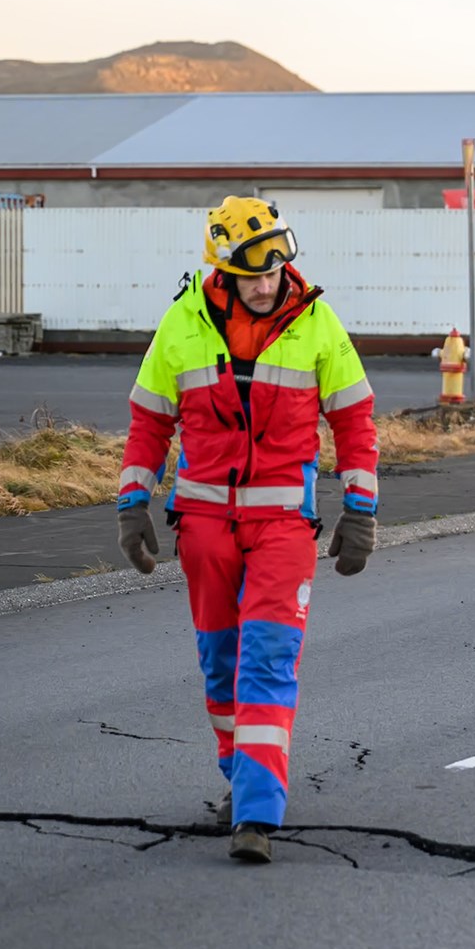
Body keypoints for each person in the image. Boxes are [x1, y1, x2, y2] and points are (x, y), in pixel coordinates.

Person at [115, 197, 379, 865]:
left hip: (285, 526)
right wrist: (131, 503)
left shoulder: (318, 324)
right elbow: (150, 420)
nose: (267, 284)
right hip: (204, 529)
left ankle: (257, 816)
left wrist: (361, 509)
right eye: (252, 274)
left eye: (276, 270)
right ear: (224, 272)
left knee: (265, 659)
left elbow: (354, 420)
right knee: (221, 664)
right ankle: (241, 777)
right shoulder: (182, 324)